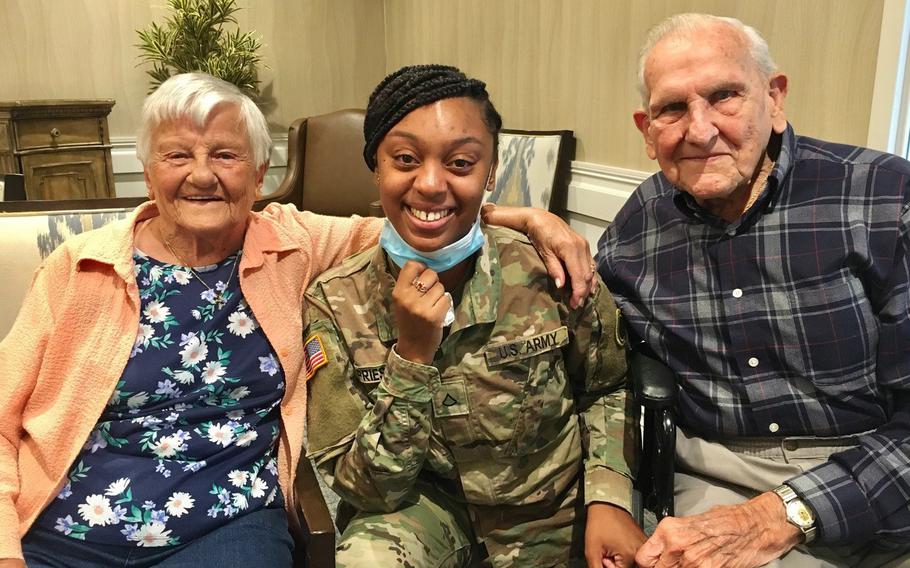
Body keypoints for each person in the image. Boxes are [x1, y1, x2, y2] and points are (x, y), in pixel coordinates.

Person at [0, 71, 596, 568]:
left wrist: (527, 219)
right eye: (177, 155)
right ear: (149, 171)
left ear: (259, 175)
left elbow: (415, 216)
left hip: (224, 524)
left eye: (226, 155)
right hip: (68, 525)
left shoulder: (291, 244)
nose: (201, 174)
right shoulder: (80, 267)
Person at [597, 13, 910, 568]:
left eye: (724, 96)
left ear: (775, 97)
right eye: (672, 108)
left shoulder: (884, 198)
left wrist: (781, 514)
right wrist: (521, 222)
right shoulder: (638, 225)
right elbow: (584, 352)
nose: (699, 130)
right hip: (715, 474)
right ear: (647, 130)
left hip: (880, 467)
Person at [304, 64, 644, 568]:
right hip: (425, 510)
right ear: (375, 165)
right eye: (404, 159)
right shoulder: (335, 301)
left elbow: (608, 388)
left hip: (553, 505)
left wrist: (610, 498)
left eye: (461, 163)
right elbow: (364, 488)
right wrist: (411, 358)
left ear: (491, 168)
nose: (431, 184)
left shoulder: (548, 269)